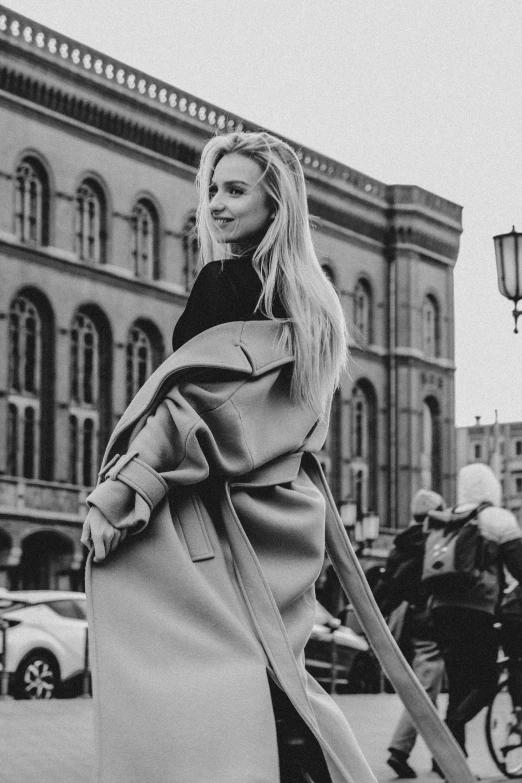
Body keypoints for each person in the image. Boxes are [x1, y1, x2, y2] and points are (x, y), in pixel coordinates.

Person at [81, 130, 379, 783]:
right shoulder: (313, 306)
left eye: (234, 190)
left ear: (276, 206)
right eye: (212, 189)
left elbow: (201, 413)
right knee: (279, 683)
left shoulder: (226, 282)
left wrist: (124, 489)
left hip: (220, 523)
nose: (214, 204)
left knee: (200, 687)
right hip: (280, 523)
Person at [430, 463, 522, 755]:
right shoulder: (496, 518)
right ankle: (448, 732)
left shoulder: (450, 516)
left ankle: (449, 761)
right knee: (486, 681)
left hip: (440, 609)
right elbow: (519, 565)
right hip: (476, 609)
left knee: (459, 683)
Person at [381, 489, 446, 780]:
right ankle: (401, 750)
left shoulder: (400, 543)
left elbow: (387, 587)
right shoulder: (434, 541)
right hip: (431, 618)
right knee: (427, 687)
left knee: (428, 688)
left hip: (407, 621)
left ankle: (440, 755)